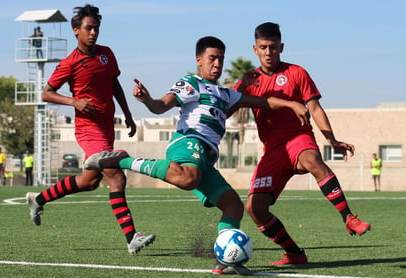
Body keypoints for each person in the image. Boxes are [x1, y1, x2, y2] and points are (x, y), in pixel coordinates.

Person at [84, 36, 309, 275]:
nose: (217, 64)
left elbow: (263, 101)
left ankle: (224, 261)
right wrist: (147, 99)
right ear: (199, 60)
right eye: (212, 58)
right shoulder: (191, 82)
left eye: (221, 59)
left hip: (206, 160)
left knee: (233, 206)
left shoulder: (226, 94)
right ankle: (122, 159)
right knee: (188, 177)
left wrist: (291, 105)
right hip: (188, 143)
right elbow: (162, 105)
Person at [233, 22, 371, 265]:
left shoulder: (297, 73)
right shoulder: (248, 80)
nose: (268, 52)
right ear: (255, 49)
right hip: (273, 150)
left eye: (273, 47)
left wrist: (331, 139)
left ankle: (349, 218)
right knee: (255, 208)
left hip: (299, 138)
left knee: (311, 160)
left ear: (281, 47)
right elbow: (228, 106)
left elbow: (315, 108)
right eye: (263, 47)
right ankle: (295, 253)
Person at [25, 4, 155, 256]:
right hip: (88, 128)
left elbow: (114, 83)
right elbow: (46, 92)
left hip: (107, 126)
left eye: (96, 28)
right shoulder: (70, 63)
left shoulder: (107, 54)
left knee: (88, 182)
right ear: (76, 30)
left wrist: (127, 114)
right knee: (117, 176)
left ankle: (38, 199)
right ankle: (132, 237)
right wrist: (74, 101)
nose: (93, 32)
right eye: (88, 28)